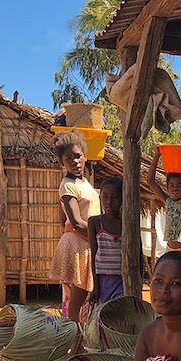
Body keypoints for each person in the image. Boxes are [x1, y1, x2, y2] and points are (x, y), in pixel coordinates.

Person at [50, 131, 101, 324]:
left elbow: (61, 217)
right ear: (62, 162)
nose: (75, 162)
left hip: (85, 241)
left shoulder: (84, 183)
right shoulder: (68, 185)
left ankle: (78, 339)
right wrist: (103, 234)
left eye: (78, 156)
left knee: (81, 296)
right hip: (79, 243)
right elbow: (77, 222)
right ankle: (75, 341)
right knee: (77, 299)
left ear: (85, 156)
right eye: (68, 158)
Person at [89, 178, 124, 306]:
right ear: (100, 198)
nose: (109, 202)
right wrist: (95, 286)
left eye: (115, 198)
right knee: (103, 316)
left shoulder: (127, 224)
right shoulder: (95, 222)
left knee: (119, 315)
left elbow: (137, 254)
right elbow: (93, 254)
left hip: (122, 280)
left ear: (122, 199)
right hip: (102, 280)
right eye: (105, 197)